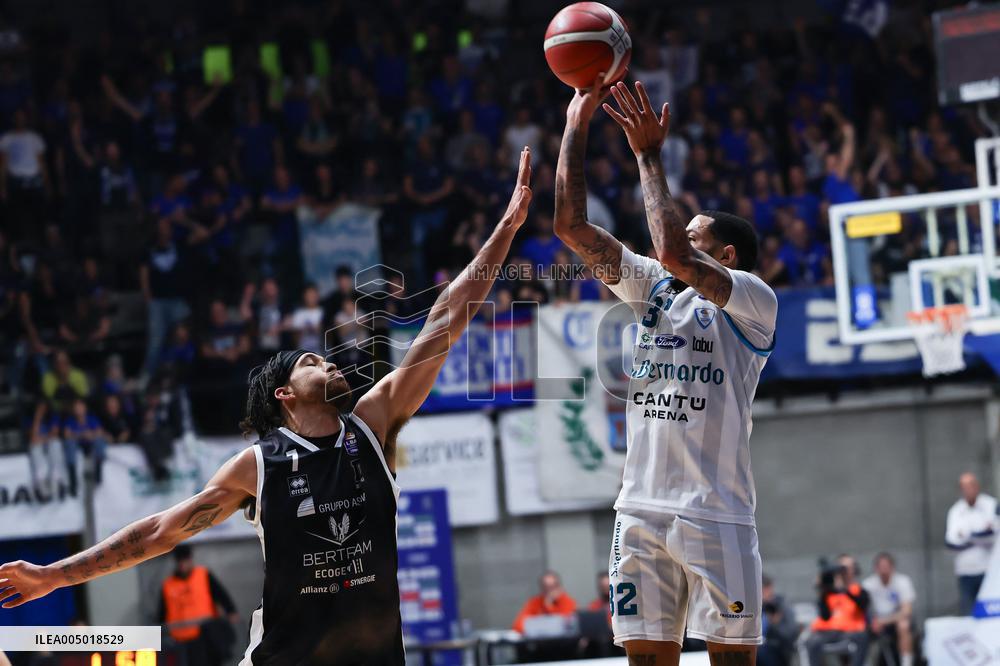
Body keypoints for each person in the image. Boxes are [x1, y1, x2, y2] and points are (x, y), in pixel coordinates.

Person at [0, 147, 534, 666]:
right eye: (309, 361)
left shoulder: (374, 423)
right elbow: (158, 533)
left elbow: (445, 320)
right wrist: (53, 576)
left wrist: (505, 230)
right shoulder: (258, 466)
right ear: (284, 393)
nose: (327, 363)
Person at [557, 76, 776, 666]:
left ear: (724, 256)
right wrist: (577, 124)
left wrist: (648, 155)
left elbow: (674, 250)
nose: (670, 246)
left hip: (717, 511)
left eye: (694, 232)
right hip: (641, 510)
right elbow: (571, 228)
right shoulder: (653, 285)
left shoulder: (755, 301)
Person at [158, 544, 238, 666]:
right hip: (179, 639)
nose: (183, 564)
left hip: (205, 635)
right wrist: (160, 630)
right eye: (180, 561)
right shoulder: (168, 584)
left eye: (185, 560)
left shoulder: (203, 575)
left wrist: (231, 610)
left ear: (190, 559)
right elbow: (162, 610)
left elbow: (220, 593)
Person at [945, 472, 998, 615]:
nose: (969, 489)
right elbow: (951, 542)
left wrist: (965, 535)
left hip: (989, 571)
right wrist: (978, 535)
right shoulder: (955, 511)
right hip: (965, 572)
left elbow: (993, 535)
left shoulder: (991, 505)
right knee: (968, 613)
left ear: (977, 486)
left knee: (992, 614)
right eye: (965, 487)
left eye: (971, 485)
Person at [806, 557, 869, 666]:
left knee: (862, 637)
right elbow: (825, 616)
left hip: (851, 632)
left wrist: (845, 590)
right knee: (812, 641)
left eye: (846, 568)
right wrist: (823, 589)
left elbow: (863, 605)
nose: (842, 572)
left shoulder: (858, 590)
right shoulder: (829, 592)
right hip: (830, 632)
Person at [863, 552, 916, 666]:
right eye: (881, 567)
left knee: (903, 625)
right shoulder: (868, 584)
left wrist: (883, 621)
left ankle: (906, 663)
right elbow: (863, 609)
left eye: (886, 567)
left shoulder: (902, 581)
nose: (884, 571)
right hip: (876, 621)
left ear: (892, 567)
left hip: (894, 620)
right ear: (876, 568)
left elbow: (906, 611)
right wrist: (872, 622)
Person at [512, 571, 578, 634]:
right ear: (542, 589)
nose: (550, 591)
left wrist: (549, 607)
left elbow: (563, 626)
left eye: (554, 586)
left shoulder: (567, 602)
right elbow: (518, 625)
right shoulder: (534, 602)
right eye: (546, 587)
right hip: (539, 642)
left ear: (559, 587)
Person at [758, 575, 798, 666]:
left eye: (763, 590)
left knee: (760, 653)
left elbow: (789, 635)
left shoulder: (782, 606)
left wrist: (775, 623)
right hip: (760, 646)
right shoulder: (757, 607)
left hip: (779, 649)